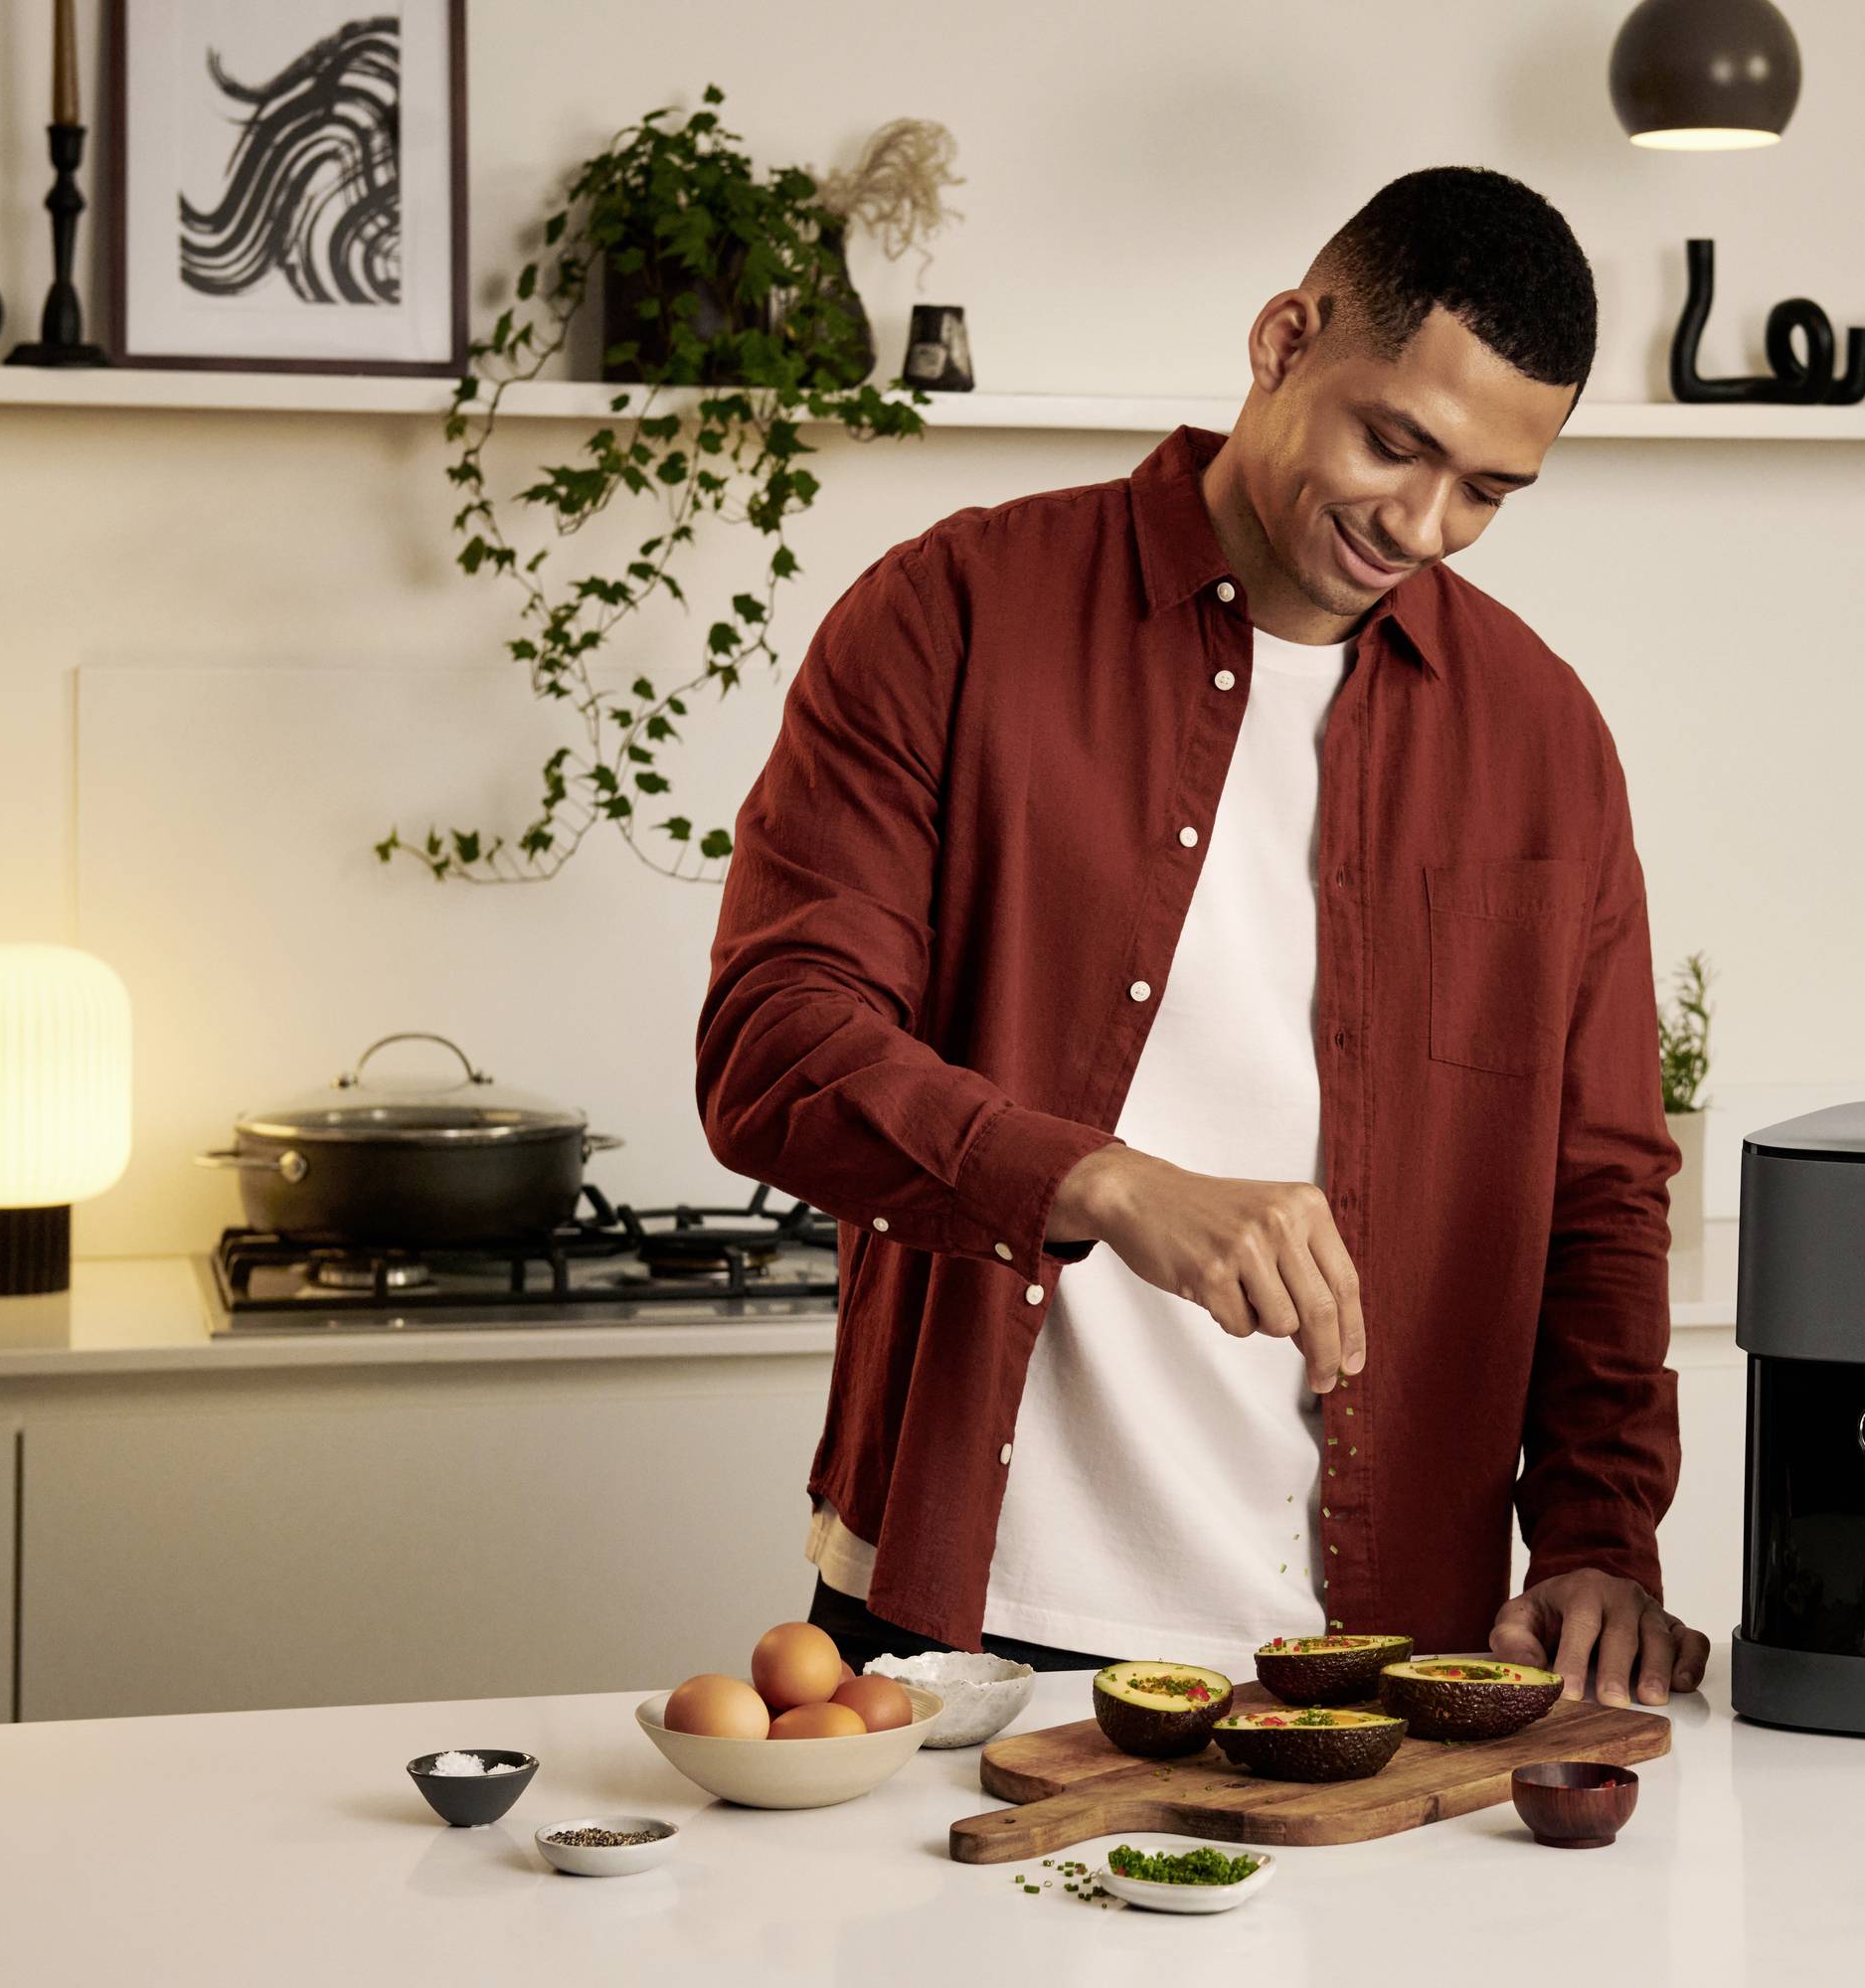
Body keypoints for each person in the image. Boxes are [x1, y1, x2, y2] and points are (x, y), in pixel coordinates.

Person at [699, 165, 1707, 1710]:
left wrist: (1597, 1535)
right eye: (1395, 444)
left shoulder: (1543, 737)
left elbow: (1601, 1190)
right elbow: (775, 1047)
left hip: (1380, 1645)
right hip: (966, 1612)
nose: (1422, 524)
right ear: (1284, 340)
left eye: (1488, 492)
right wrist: (1102, 1183)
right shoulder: (952, 614)